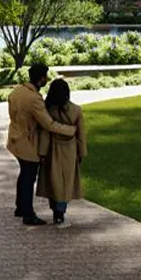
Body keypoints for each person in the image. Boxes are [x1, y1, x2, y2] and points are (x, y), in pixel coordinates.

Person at [6, 62, 76, 226]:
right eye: (45, 77)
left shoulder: (17, 91)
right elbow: (48, 124)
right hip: (27, 143)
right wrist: (69, 130)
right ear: (41, 79)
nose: (47, 80)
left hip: (14, 138)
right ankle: (28, 215)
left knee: (24, 174)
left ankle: (21, 207)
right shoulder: (34, 99)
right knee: (28, 177)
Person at [36, 77, 87, 228]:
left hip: (52, 149)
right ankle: (61, 212)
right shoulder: (76, 110)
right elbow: (81, 134)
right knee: (65, 183)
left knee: (54, 182)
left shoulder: (48, 110)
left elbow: (45, 133)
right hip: (69, 150)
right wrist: (81, 152)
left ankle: (56, 213)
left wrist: (42, 152)